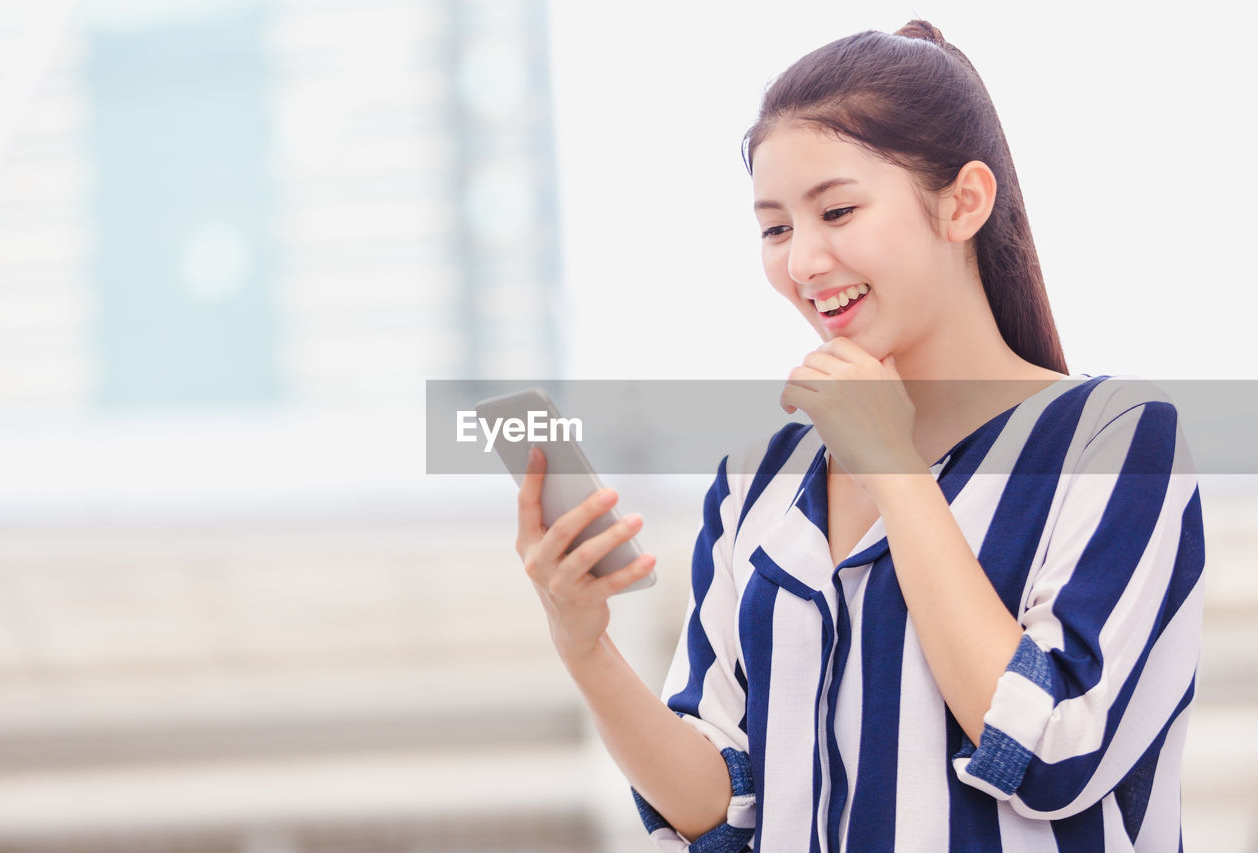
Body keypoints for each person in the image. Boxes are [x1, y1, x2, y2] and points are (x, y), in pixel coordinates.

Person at [513, 19, 1205, 852]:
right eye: (774, 228)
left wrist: (894, 465)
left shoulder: (1114, 441)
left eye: (836, 210)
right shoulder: (755, 484)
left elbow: (1056, 746)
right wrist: (584, 646)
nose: (802, 260)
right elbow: (721, 802)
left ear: (964, 202)